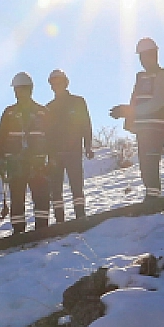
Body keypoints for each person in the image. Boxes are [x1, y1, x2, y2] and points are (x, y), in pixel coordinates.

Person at [108, 37, 164, 201]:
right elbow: (135, 99)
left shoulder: (162, 75)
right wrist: (129, 119)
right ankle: (151, 195)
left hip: (159, 125)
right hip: (144, 127)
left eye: (147, 55)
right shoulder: (141, 77)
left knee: (150, 160)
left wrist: (129, 111)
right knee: (145, 162)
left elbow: (157, 102)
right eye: (142, 56)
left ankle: (153, 197)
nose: (144, 60)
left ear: (155, 54)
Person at [0, 72, 50, 234]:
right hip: (15, 164)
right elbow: (0, 139)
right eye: (18, 89)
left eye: (23, 89)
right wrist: (0, 161)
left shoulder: (43, 112)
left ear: (30, 90)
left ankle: (42, 229)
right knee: (17, 199)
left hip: (37, 164)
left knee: (41, 197)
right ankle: (18, 232)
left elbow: (52, 138)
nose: (20, 92)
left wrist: (51, 160)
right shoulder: (9, 113)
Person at [43, 69, 94, 223]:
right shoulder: (48, 108)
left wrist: (88, 146)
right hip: (54, 155)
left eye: (59, 82)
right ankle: (60, 221)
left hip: (73, 151)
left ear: (66, 82)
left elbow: (86, 124)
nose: (56, 85)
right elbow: (45, 133)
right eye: (54, 83)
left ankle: (80, 216)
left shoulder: (78, 102)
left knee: (77, 185)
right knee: (56, 188)